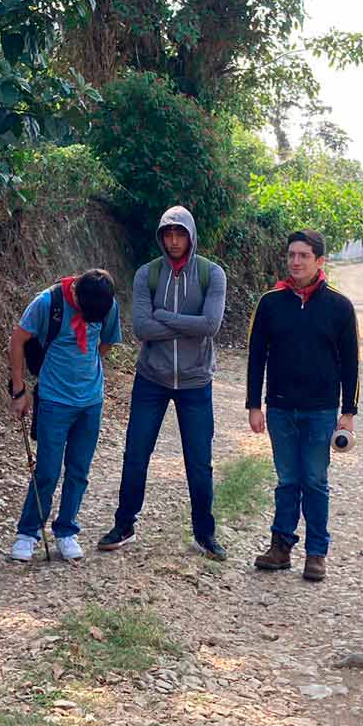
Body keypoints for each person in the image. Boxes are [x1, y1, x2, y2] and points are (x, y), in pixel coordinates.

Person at [98, 206, 229, 558]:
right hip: (151, 379)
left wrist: (164, 317)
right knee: (136, 454)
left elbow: (211, 325)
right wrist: (187, 322)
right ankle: (124, 525)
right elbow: (141, 328)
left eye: (180, 233)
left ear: (191, 235)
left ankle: (205, 533)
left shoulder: (211, 274)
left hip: (195, 380)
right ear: (160, 236)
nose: (173, 241)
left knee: (199, 461)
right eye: (168, 234)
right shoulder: (147, 274)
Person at [246, 230, 359, 583]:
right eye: (292, 255)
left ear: (319, 261)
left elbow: (351, 363)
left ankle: (316, 553)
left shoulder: (339, 307)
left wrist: (348, 412)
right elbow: (255, 357)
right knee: (286, 480)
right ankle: (280, 547)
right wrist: (254, 404)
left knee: (314, 480)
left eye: (304, 256)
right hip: (279, 408)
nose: (296, 262)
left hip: (321, 410)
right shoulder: (270, 303)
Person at [7, 269, 122, 561]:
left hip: (91, 402)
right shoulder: (47, 303)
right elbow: (17, 341)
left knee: (79, 470)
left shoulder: (106, 305)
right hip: (54, 401)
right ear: (76, 297)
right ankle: (28, 532)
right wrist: (19, 390)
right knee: (46, 470)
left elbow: (105, 344)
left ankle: (67, 530)